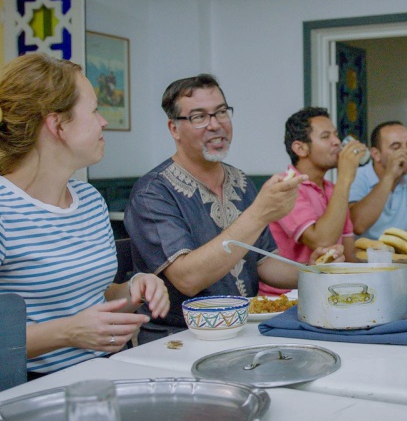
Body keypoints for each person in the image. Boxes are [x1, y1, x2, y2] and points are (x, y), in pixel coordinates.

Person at [125, 75, 338, 344]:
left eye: (222, 112)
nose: (216, 125)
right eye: (199, 117)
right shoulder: (153, 192)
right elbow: (187, 279)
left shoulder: (240, 181)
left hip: (244, 331)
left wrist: (314, 271)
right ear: (174, 129)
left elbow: (263, 262)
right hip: (178, 340)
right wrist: (259, 213)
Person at [0, 53, 169, 375]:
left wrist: (135, 289)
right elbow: (75, 325)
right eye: (93, 110)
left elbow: (94, 297)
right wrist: (67, 332)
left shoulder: (89, 200)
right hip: (27, 387)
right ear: (57, 124)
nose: (103, 122)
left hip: (99, 374)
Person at [269, 107, 360, 267]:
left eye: (336, 135)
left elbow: (349, 254)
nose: (337, 142)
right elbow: (321, 242)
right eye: (325, 137)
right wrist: (345, 179)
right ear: (300, 148)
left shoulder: (333, 190)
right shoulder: (286, 185)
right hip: (287, 290)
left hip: (326, 285)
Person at [348, 121, 407, 240]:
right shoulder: (357, 178)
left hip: (402, 256)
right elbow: (357, 226)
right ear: (376, 154)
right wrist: (389, 177)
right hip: (366, 256)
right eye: (396, 147)